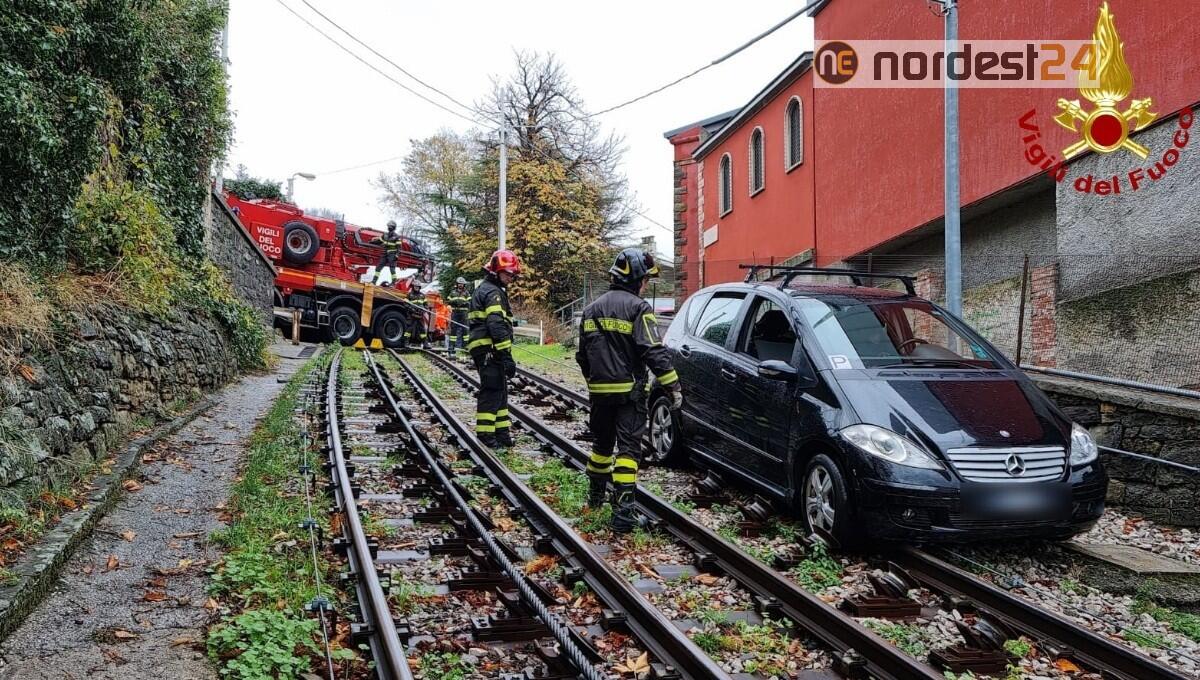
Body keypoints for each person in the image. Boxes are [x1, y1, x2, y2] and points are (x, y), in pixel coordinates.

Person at [576, 247, 682, 533]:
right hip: (629, 396)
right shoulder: (639, 309)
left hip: (599, 394)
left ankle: (595, 500)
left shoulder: (590, 310)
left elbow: (582, 356)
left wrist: (594, 382)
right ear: (636, 279)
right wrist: (672, 384)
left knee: (600, 448)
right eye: (645, 279)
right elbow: (652, 350)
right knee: (627, 452)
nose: (646, 285)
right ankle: (623, 514)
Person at [468, 250, 521, 450]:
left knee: (500, 390)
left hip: (488, 349)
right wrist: (506, 355)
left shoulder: (490, 289)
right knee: (492, 390)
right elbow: (496, 325)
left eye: (513, 275)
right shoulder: (493, 293)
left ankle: (501, 433)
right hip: (489, 349)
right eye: (507, 273)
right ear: (495, 271)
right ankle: (485, 435)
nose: (511, 277)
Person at [372, 221, 404, 286]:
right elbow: (379, 241)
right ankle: (374, 281)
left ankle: (393, 282)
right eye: (388, 226)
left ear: (394, 227)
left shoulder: (396, 237)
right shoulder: (385, 235)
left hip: (392, 254)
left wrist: (397, 255)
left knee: (392, 268)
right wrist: (371, 242)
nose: (389, 227)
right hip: (385, 253)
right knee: (378, 267)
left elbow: (399, 247)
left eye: (390, 226)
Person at [446, 277, 471, 357]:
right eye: (459, 283)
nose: (460, 285)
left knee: (465, 330)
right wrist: (454, 302)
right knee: (453, 330)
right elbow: (448, 301)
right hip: (455, 312)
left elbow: (470, 302)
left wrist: (464, 303)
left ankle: (466, 348)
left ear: (464, 285)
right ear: (457, 284)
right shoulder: (452, 292)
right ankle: (451, 348)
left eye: (462, 284)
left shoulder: (467, 293)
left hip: (464, 313)